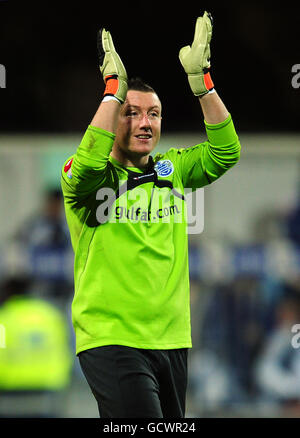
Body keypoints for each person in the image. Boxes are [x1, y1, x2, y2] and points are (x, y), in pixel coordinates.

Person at [61, 11, 241, 418]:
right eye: (132, 112)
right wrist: (112, 92)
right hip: (112, 340)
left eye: (153, 114)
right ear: (112, 118)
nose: (145, 123)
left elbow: (226, 151)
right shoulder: (86, 178)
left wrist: (202, 84)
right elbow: (89, 163)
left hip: (172, 339)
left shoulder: (171, 170)